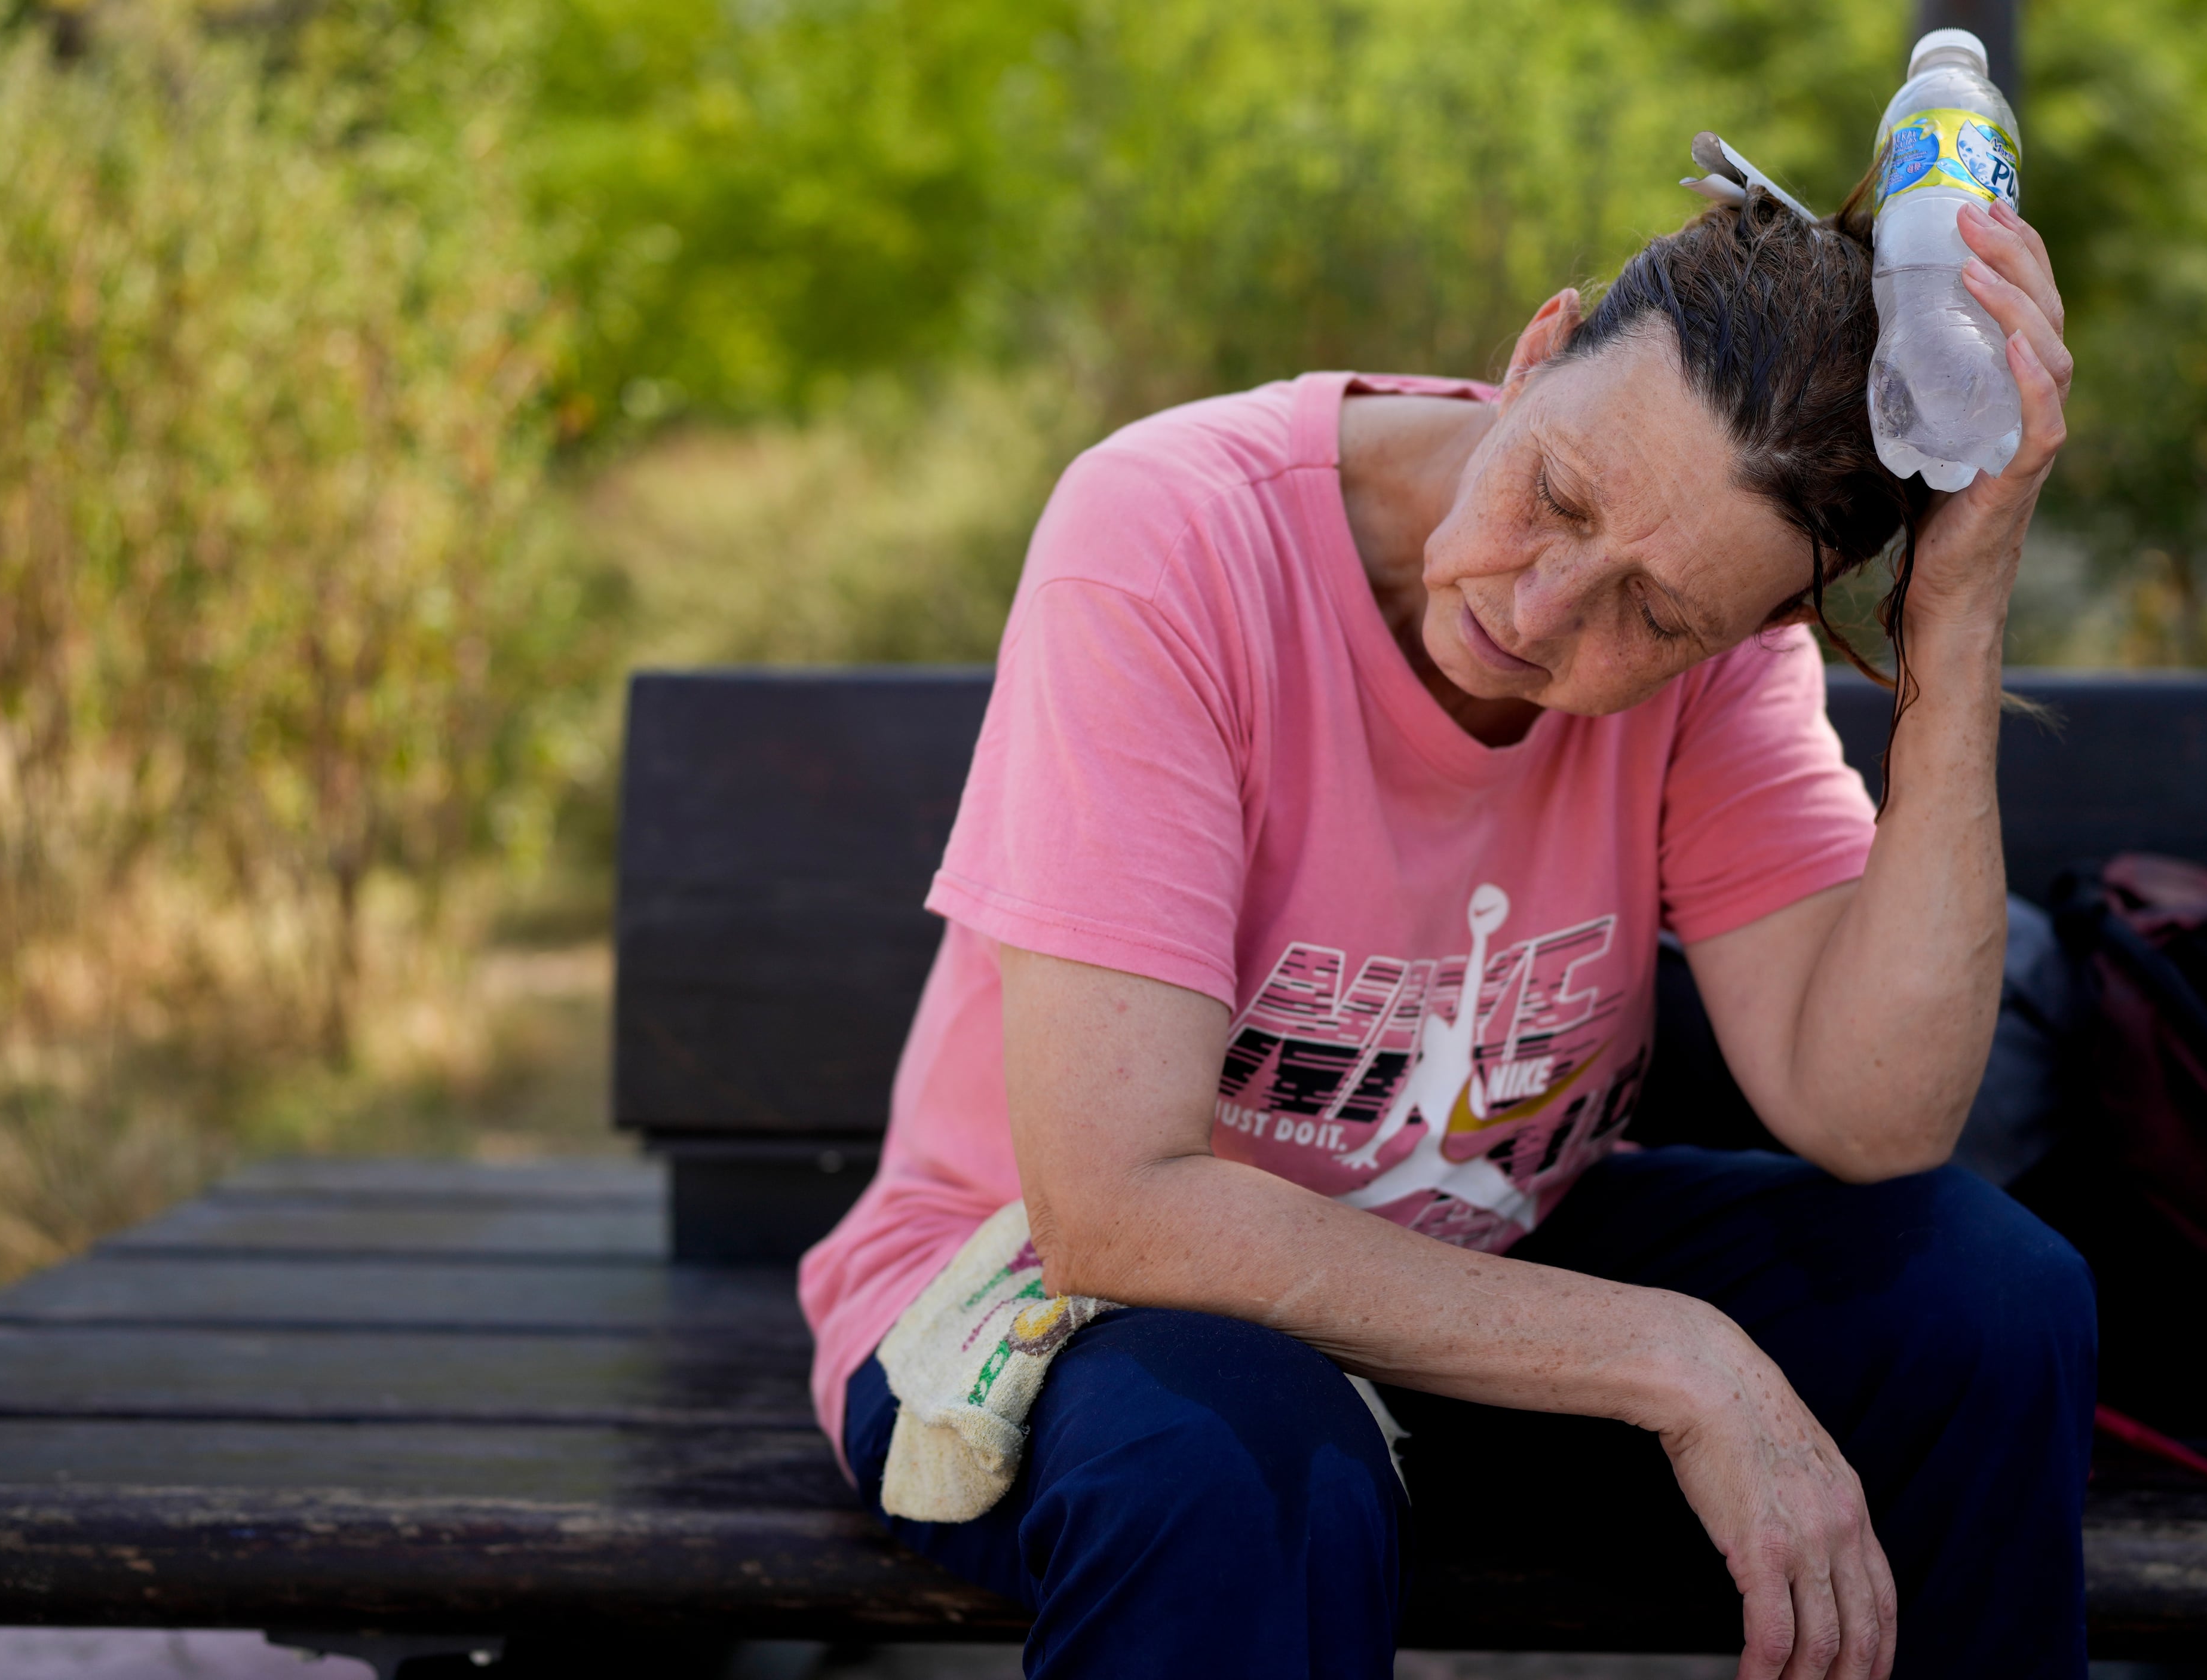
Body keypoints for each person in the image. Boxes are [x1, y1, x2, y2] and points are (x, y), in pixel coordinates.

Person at [797, 182, 2088, 1680]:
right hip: (1048, 1298)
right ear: (1535, 351)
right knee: (1241, 1455)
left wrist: (1958, 628)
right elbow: (1113, 1205)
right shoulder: (1172, 534)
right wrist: (1674, 1358)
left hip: (1476, 1261)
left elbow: (1876, 1112)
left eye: (1655, 618)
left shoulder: (1721, 658)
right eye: (1553, 492)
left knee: (1985, 1300)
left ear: (1745, 630)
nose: (1540, 610)